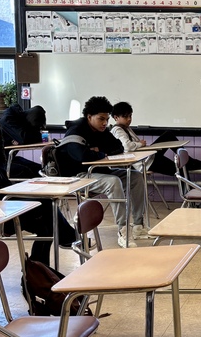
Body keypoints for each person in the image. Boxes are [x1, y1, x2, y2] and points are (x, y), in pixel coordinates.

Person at [0, 115, 76, 269]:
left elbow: (3, 187)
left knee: (47, 225)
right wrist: (19, 196)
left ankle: (36, 273)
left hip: (3, 207)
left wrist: (23, 191)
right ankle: (69, 237)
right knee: (45, 204)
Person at [57, 96, 148, 249]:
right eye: (101, 119)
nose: (105, 123)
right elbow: (81, 156)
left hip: (100, 172)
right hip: (79, 176)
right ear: (89, 117)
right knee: (113, 182)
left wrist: (98, 151)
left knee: (136, 177)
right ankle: (123, 231)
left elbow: (119, 147)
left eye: (106, 119)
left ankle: (138, 226)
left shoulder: (102, 130)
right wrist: (100, 153)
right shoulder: (76, 130)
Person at [109, 100, 201, 176]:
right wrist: (140, 144)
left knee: (168, 135)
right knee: (181, 170)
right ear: (116, 117)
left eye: (130, 116)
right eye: (126, 117)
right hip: (144, 163)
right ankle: (190, 199)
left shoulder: (125, 127)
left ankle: (189, 161)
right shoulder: (118, 130)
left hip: (147, 156)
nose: (129, 119)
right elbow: (127, 147)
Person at [0, 104, 46, 178]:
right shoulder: (8, 120)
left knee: (40, 169)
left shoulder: (21, 122)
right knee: (28, 172)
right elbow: (24, 138)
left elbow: (28, 137)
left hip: (9, 159)